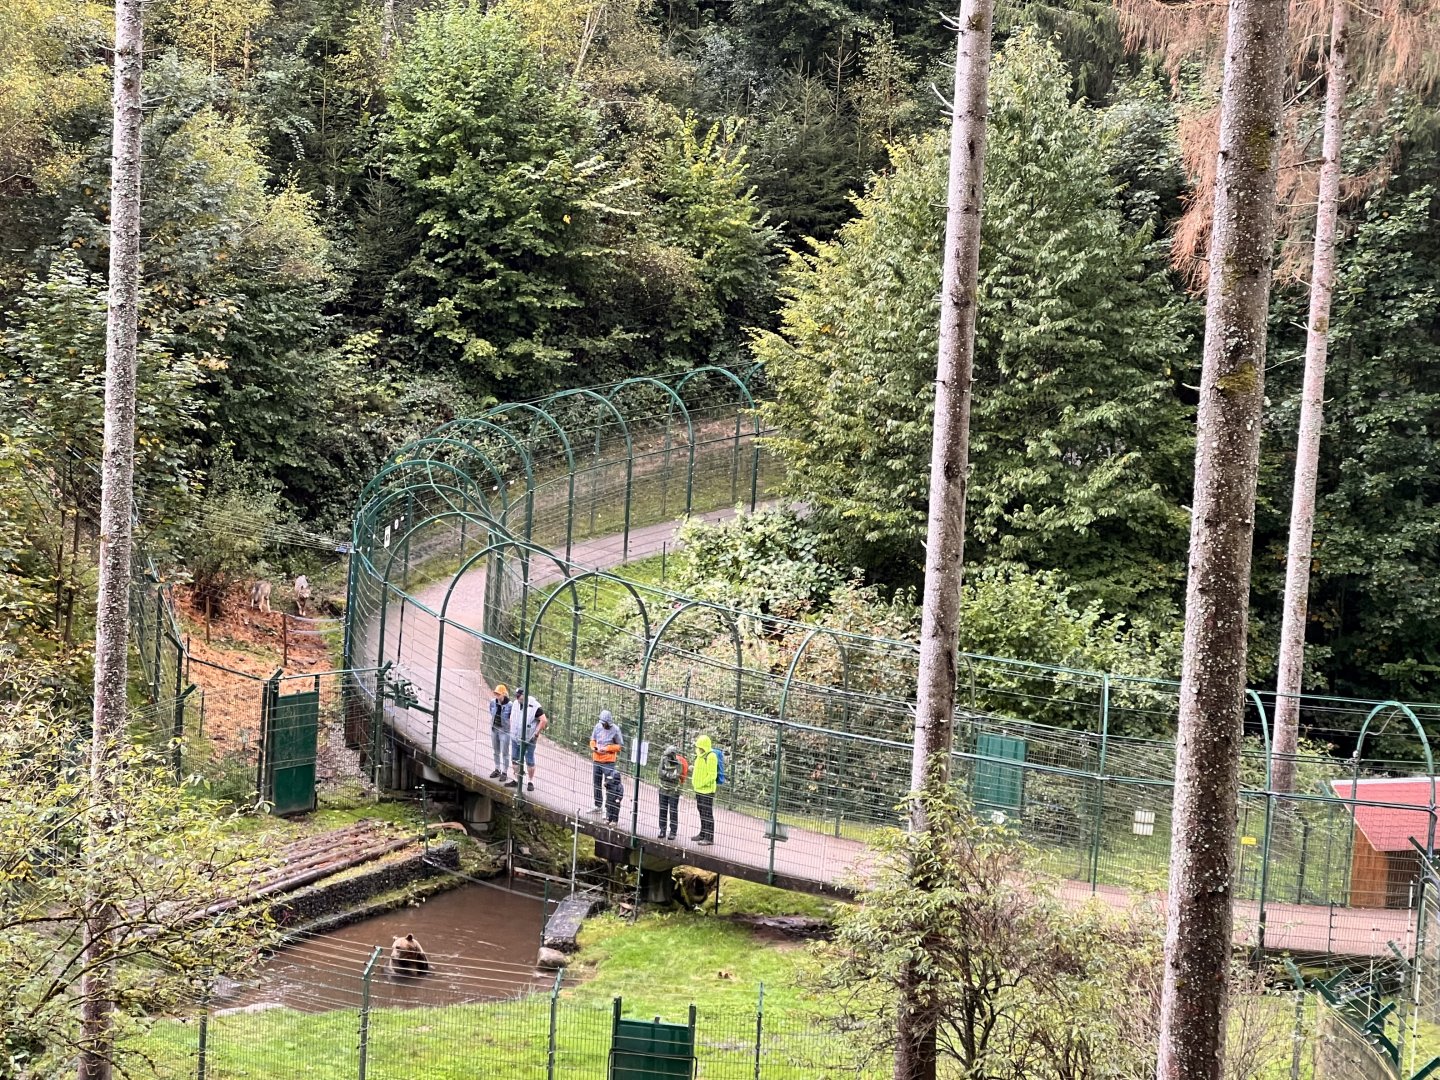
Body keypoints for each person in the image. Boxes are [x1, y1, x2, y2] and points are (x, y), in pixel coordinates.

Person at [506, 686, 548, 792]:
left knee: (529, 760)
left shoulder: (535, 706)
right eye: (516, 696)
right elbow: (512, 716)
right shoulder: (515, 703)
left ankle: (530, 781)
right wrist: (511, 728)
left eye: (519, 696)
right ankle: (516, 779)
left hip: (529, 738)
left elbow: (543, 720)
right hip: (515, 736)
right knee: (515, 759)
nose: (517, 698)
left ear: (524, 695)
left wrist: (536, 734)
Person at [587, 709, 623, 817]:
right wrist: (594, 747)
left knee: (609, 785)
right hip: (597, 759)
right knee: (596, 783)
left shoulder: (615, 729)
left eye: (605, 723)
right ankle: (598, 805)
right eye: (603, 723)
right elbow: (592, 740)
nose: (604, 725)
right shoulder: (597, 727)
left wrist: (607, 748)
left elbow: (619, 746)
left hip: (608, 762)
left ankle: (608, 810)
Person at [690, 734, 719, 846]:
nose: (699, 749)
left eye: (701, 747)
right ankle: (702, 833)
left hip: (707, 791)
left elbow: (712, 775)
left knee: (707, 813)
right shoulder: (699, 756)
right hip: (698, 789)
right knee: (701, 811)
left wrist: (701, 783)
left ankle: (709, 838)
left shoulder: (711, 756)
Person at [656, 744, 688, 840]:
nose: (668, 757)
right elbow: (659, 773)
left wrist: (666, 774)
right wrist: (669, 774)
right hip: (663, 788)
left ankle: (673, 832)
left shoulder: (679, 763)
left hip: (674, 790)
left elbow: (676, 776)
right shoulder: (663, 760)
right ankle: (662, 830)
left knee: (673, 811)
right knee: (663, 809)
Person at [487, 684, 511, 779]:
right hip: (494, 728)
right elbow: (491, 711)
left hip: (504, 731)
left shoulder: (510, 705)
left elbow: (512, 717)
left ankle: (504, 772)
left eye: (498, 694)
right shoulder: (493, 702)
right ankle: (497, 769)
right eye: (496, 693)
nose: (497, 695)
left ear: (503, 694)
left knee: (505, 752)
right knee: (496, 750)